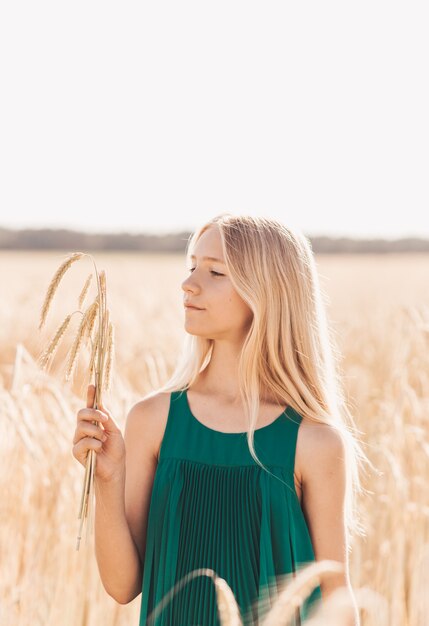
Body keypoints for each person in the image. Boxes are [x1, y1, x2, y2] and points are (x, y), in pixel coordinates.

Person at [72, 213, 368, 625]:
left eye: (215, 272)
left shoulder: (315, 443)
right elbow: (123, 586)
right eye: (192, 266)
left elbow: (338, 600)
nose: (189, 284)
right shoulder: (153, 420)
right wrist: (107, 479)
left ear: (266, 292)